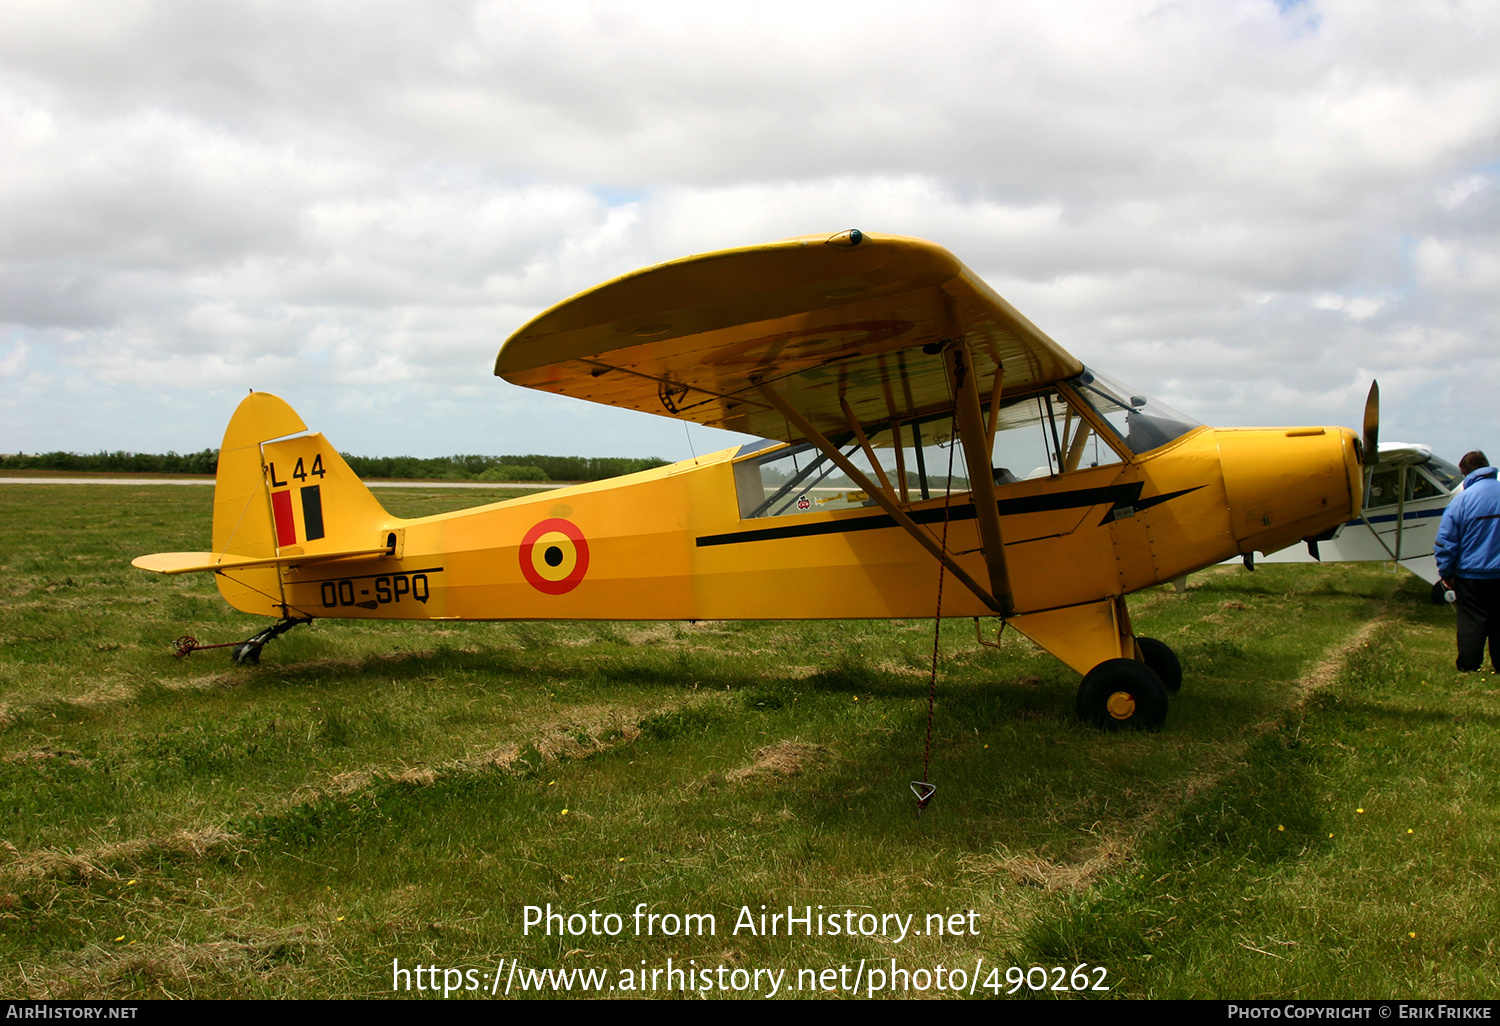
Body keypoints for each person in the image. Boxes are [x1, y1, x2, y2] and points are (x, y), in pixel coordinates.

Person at [1434, 450, 1500, 671]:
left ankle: (1469, 666)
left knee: (1472, 622)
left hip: (1471, 574)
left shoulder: (1460, 501)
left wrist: (1446, 573)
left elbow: (1446, 542)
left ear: (1466, 473)